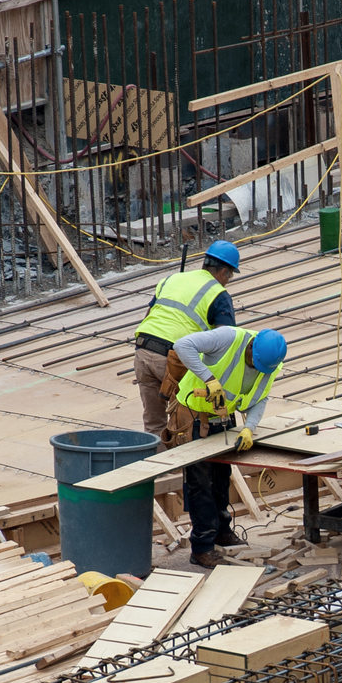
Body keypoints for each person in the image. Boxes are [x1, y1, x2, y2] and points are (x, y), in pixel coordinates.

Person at [164, 325, 287, 566]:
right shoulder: (228, 338)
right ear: (251, 347)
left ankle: (221, 531)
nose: (255, 369)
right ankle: (201, 547)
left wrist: (249, 427)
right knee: (200, 484)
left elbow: (259, 399)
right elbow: (182, 345)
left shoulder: (269, 363)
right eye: (253, 362)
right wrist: (209, 379)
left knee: (221, 478)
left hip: (222, 419)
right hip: (194, 415)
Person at [134, 240, 241, 447]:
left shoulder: (173, 279)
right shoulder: (218, 294)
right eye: (231, 276)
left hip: (143, 352)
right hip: (172, 360)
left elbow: (150, 315)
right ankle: (181, 475)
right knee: (182, 424)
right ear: (225, 272)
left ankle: (158, 473)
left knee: (154, 423)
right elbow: (226, 339)